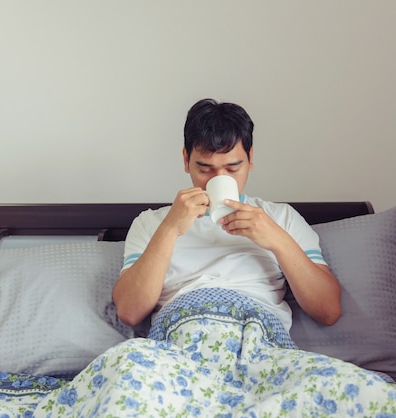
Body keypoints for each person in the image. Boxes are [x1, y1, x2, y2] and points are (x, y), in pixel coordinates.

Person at [112, 98, 341, 336]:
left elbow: (328, 311)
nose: (218, 179)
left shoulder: (281, 217)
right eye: (204, 168)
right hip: (178, 351)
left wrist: (276, 240)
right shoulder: (151, 224)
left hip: (259, 345)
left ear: (250, 159)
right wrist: (170, 229)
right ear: (185, 160)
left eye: (233, 168)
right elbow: (129, 312)